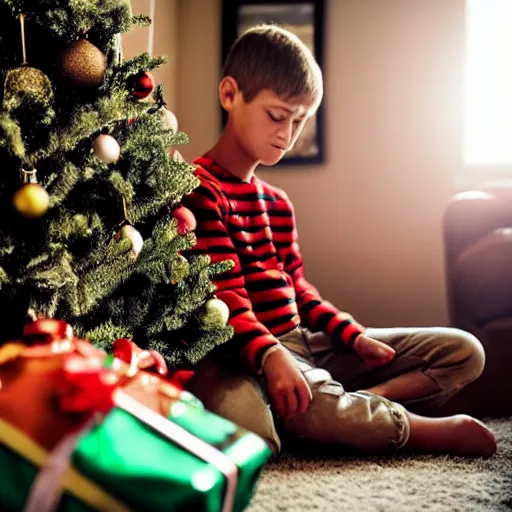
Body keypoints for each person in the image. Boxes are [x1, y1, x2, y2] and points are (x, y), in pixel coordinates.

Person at [183, 24, 497, 458]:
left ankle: (361, 403)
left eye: (299, 121)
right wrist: (273, 357)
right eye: (277, 116)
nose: (287, 134)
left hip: (302, 343)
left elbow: (298, 289)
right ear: (230, 95)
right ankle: (414, 429)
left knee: (464, 352)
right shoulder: (199, 189)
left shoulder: (277, 203)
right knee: (263, 433)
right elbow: (225, 298)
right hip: (246, 354)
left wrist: (352, 337)